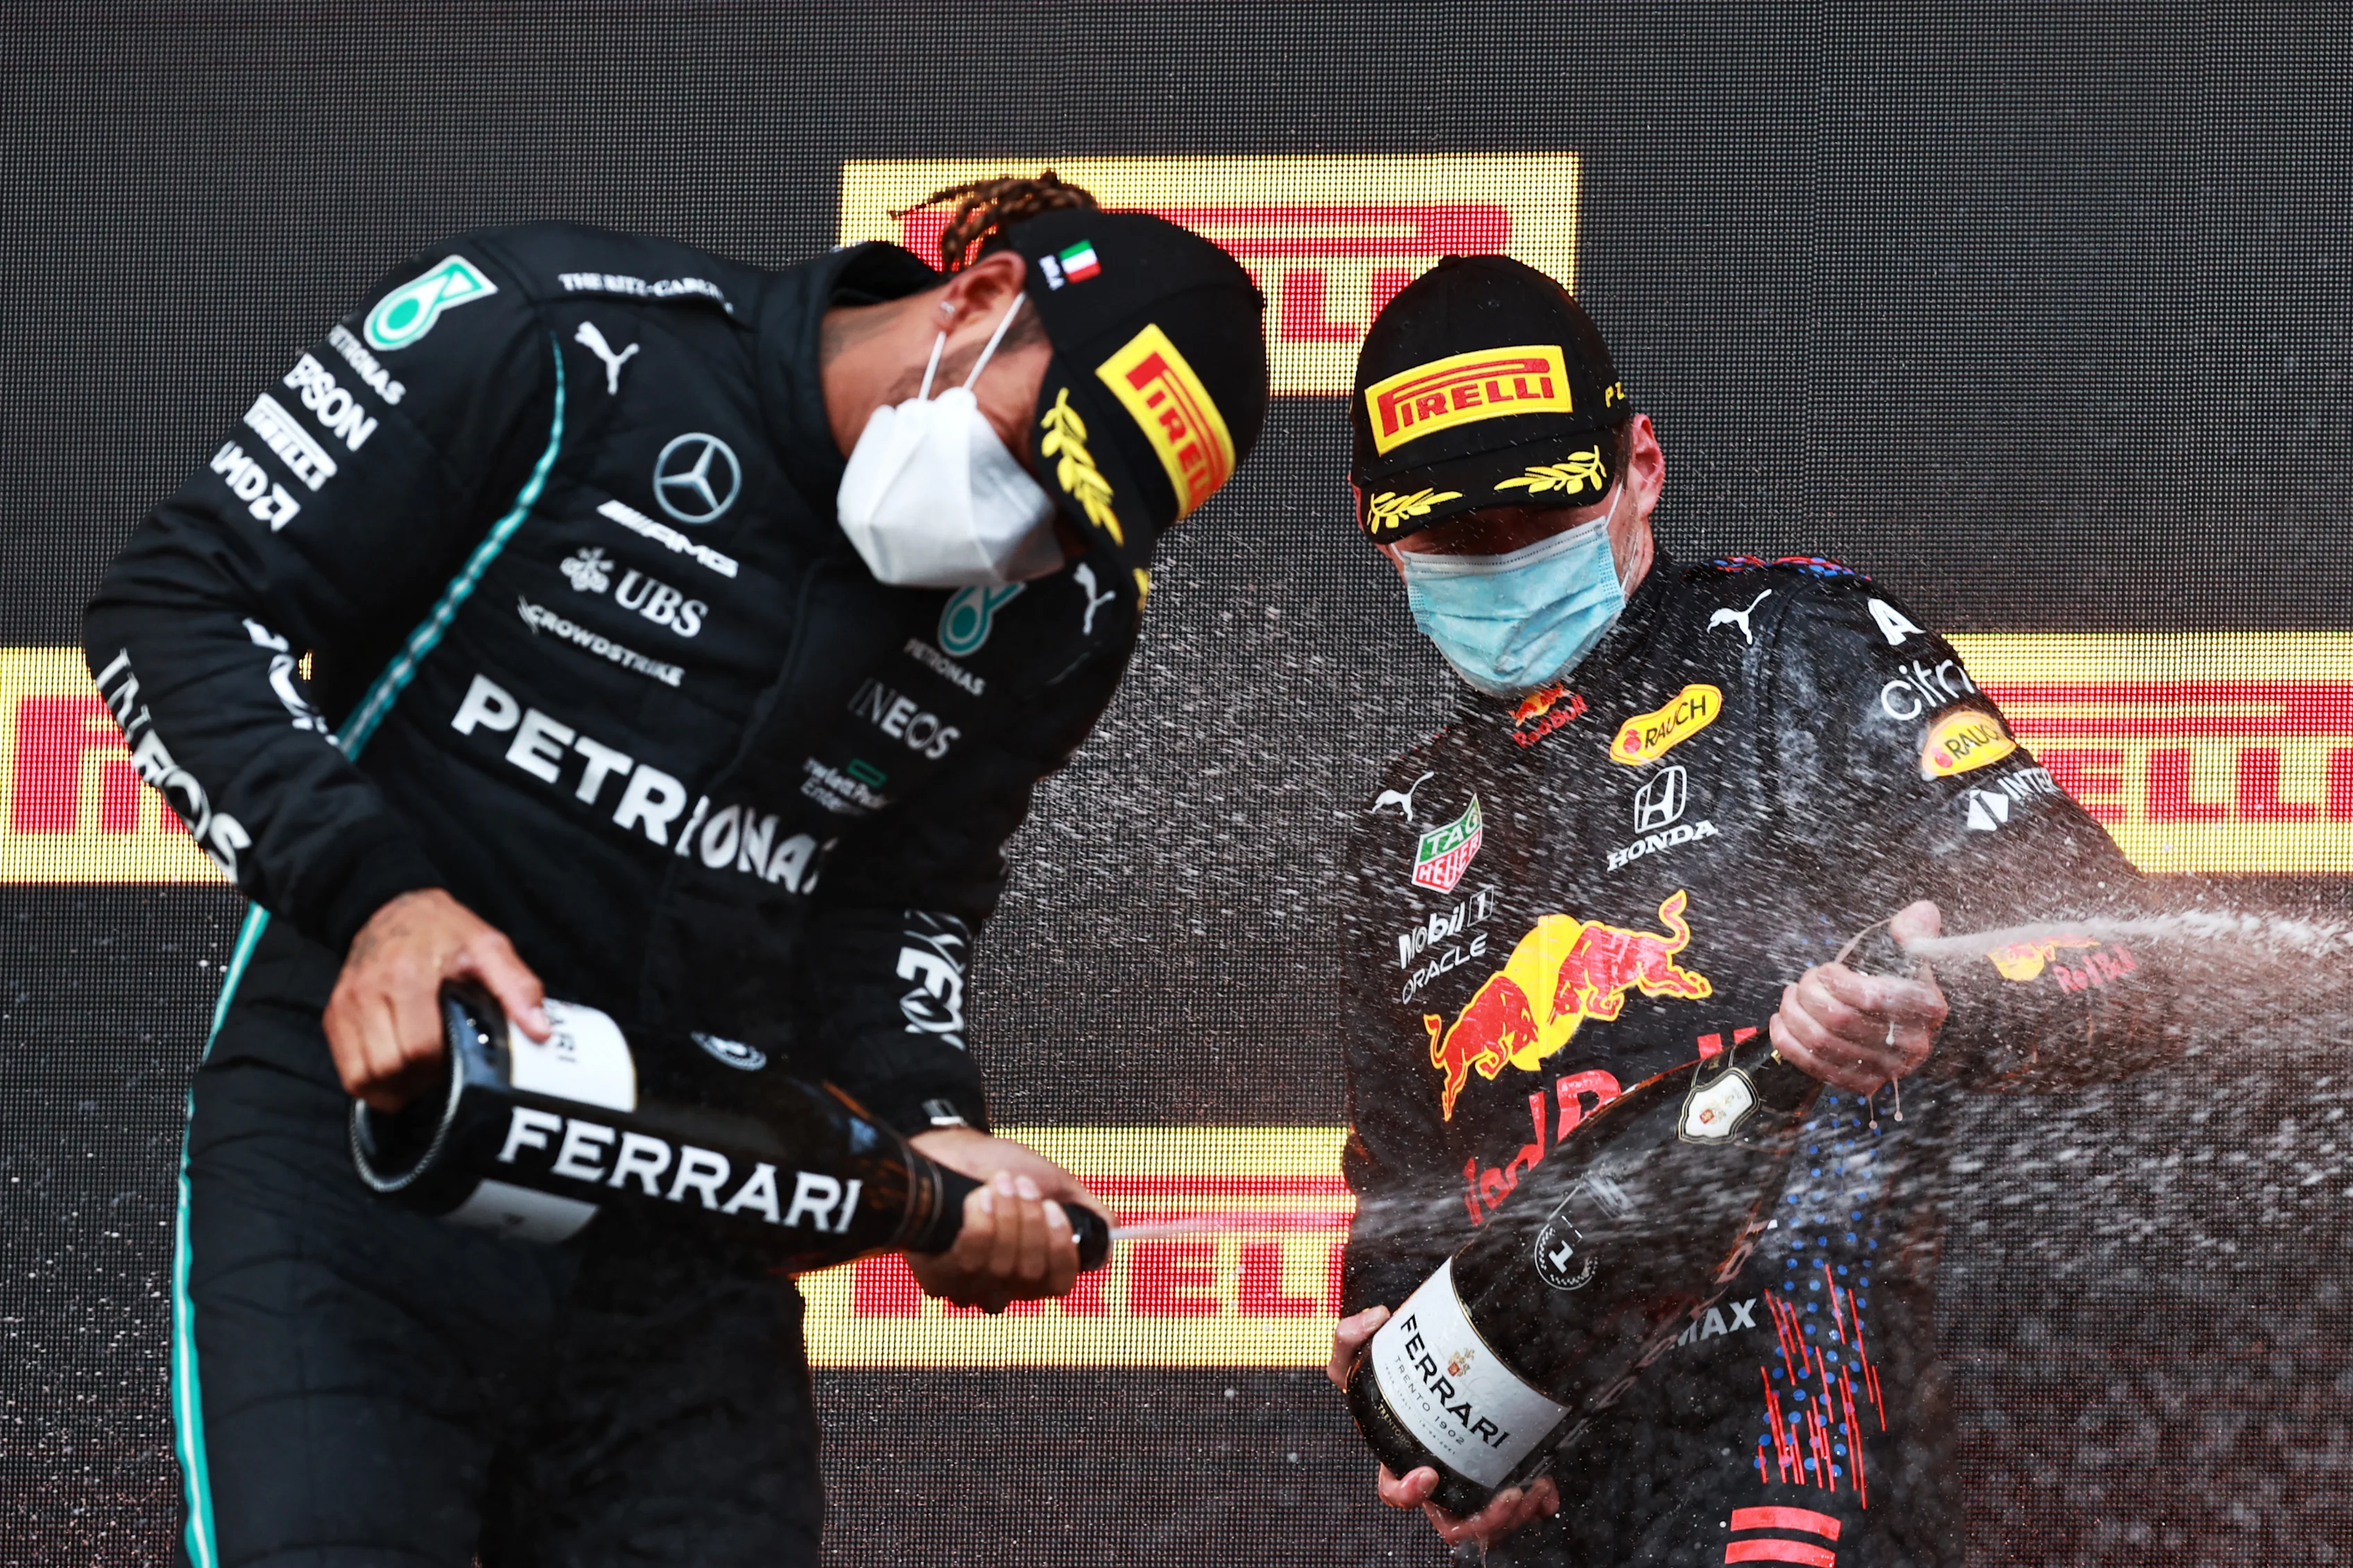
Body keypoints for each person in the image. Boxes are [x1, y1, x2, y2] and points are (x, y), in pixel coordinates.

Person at [84, 173, 1267, 1567]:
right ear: (980, 294)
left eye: (1077, 521)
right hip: (375, 1155)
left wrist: (932, 1121)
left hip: (695, 1211)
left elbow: (900, 901)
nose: (1025, 534)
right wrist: (380, 899)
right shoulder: (563, 342)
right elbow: (177, 603)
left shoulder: (1057, 619)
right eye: (1031, 457)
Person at [1323, 256, 2176, 1565]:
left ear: (1640, 467)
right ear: (1378, 527)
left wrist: (1936, 1009)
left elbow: (2126, 959)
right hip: (1572, 1488)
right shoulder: (1406, 825)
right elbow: (1404, 1195)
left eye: (1537, 517)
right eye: (1455, 534)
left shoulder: (1801, 651)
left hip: (1818, 1405)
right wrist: (1419, 1388)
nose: (1501, 560)